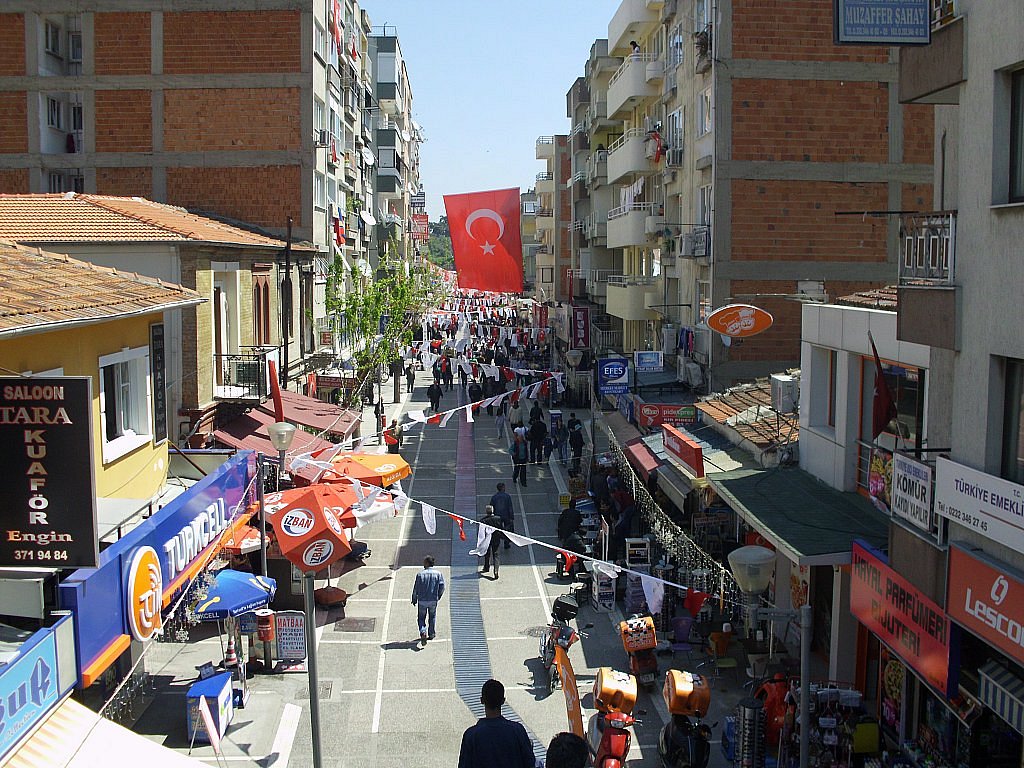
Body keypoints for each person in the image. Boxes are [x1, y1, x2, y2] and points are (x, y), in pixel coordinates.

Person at [458, 679, 534, 768]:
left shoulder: (471, 735)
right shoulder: (517, 730)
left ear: (482, 700)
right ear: (503, 701)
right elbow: (530, 763)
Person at [411, 555, 445, 642]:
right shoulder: (438, 574)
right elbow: (442, 587)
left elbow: (416, 588)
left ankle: (423, 632)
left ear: (426, 563)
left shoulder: (420, 574)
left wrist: (414, 599)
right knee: (432, 616)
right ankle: (431, 634)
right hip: (433, 599)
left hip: (422, 600)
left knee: (421, 618)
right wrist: (438, 596)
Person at [479, 504, 505, 578]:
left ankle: (486, 567)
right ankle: (496, 570)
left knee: (487, 554)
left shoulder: (483, 520)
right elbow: (501, 529)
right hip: (496, 538)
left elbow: (482, 532)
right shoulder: (498, 519)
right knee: (496, 554)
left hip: (487, 539)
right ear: (493, 511)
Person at [489, 482, 515, 548]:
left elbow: (491, 507)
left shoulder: (494, 497)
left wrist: (491, 517)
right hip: (506, 516)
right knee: (507, 530)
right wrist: (511, 517)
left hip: (497, 516)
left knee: (497, 530)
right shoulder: (507, 496)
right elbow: (510, 507)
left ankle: (496, 543)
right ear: (503, 488)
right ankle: (506, 543)